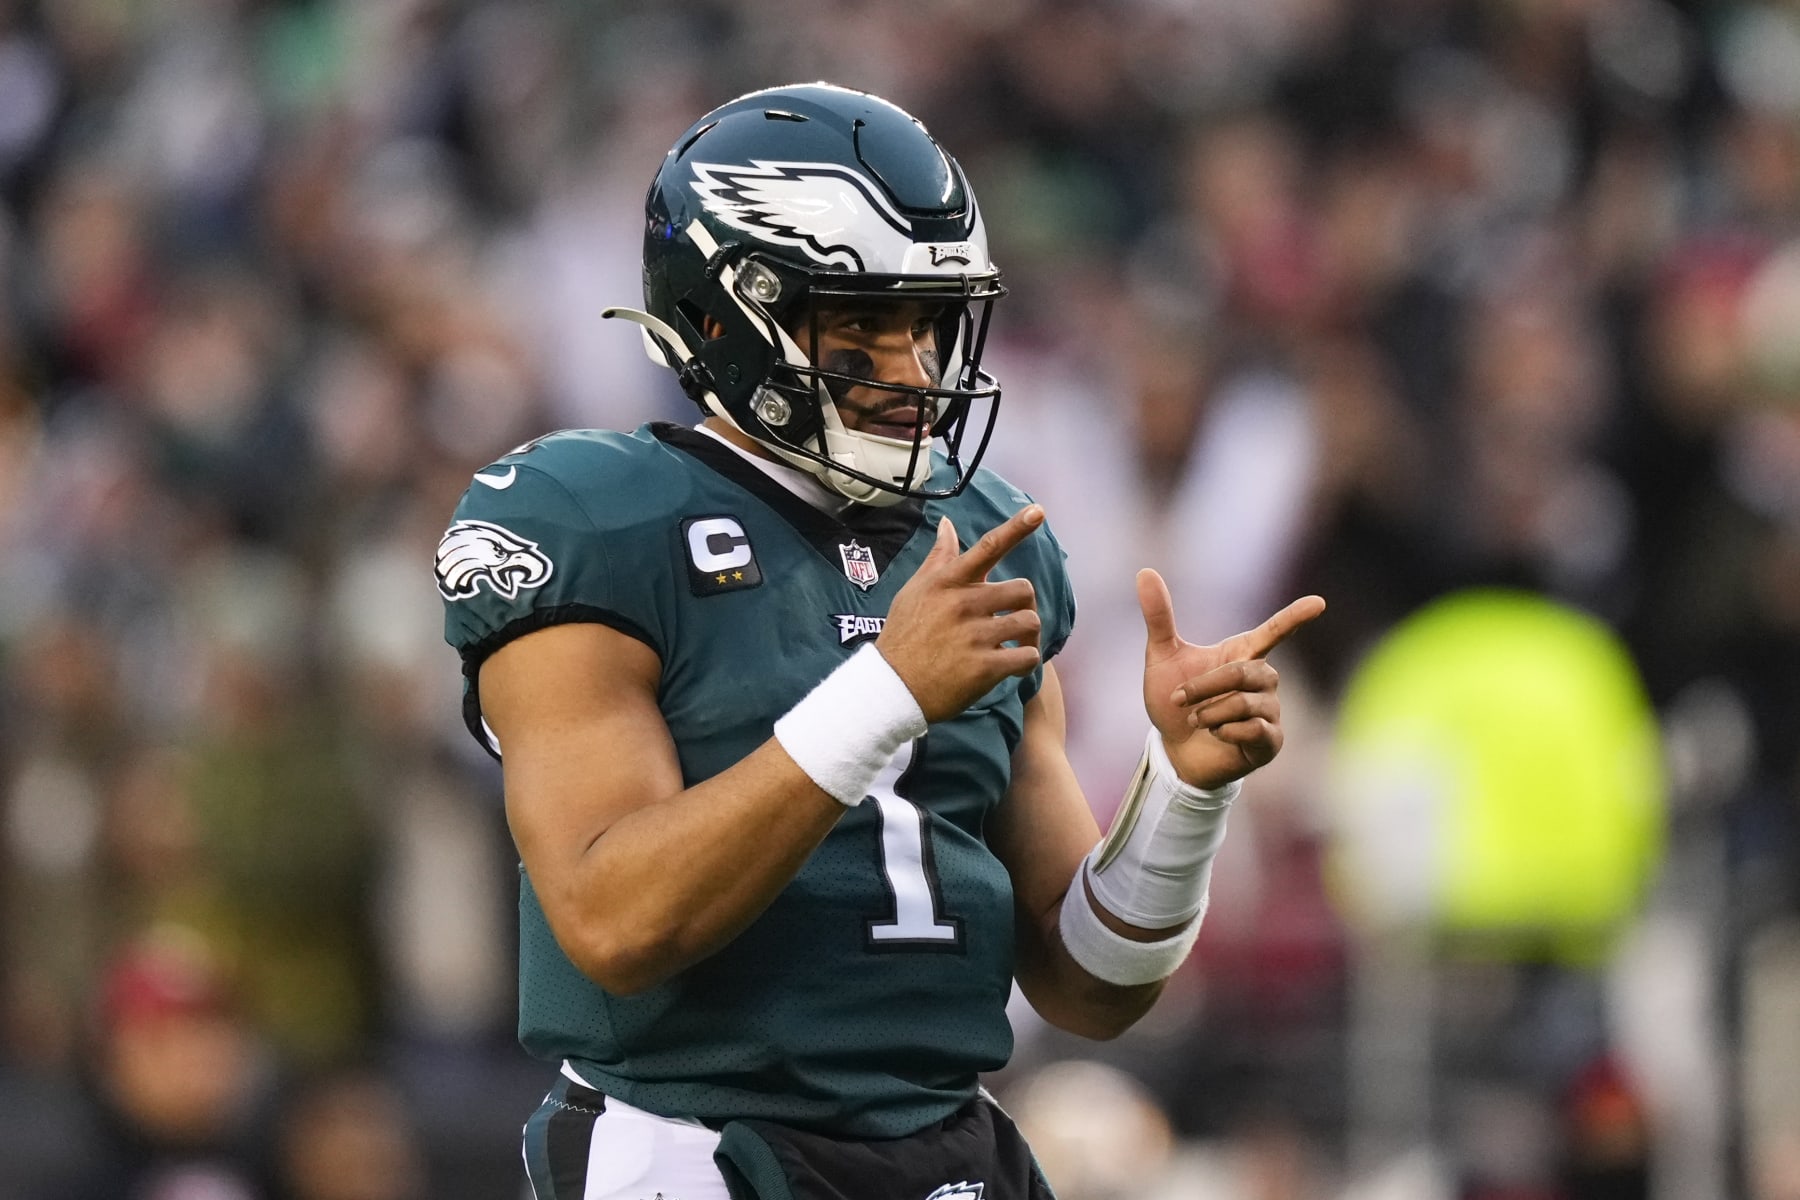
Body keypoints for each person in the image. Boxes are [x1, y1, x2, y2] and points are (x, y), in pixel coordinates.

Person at [434, 82, 1324, 1200]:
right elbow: (613, 918)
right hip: (696, 1148)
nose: (911, 369)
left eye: (929, 322)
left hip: (949, 1151)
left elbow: (1089, 982)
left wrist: (1184, 795)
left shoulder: (979, 538)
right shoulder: (597, 519)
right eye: (862, 323)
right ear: (728, 314)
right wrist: (887, 692)